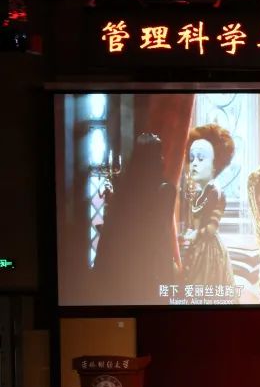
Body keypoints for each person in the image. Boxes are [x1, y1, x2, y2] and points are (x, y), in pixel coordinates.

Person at [92, 132, 178, 304]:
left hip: (124, 270)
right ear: (156, 159)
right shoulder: (166, 190)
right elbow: (162, 233)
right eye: (160, 154)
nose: (163, 158)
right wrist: (169, 269)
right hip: (150, 268)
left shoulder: (125, 191)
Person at [181, 123, 236, 290]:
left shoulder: (216, 194)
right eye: (192, 159)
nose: (194, 165)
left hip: (210, 252)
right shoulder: (197, 191)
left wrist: (195, 234)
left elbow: (212, 227)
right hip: (195, 246)